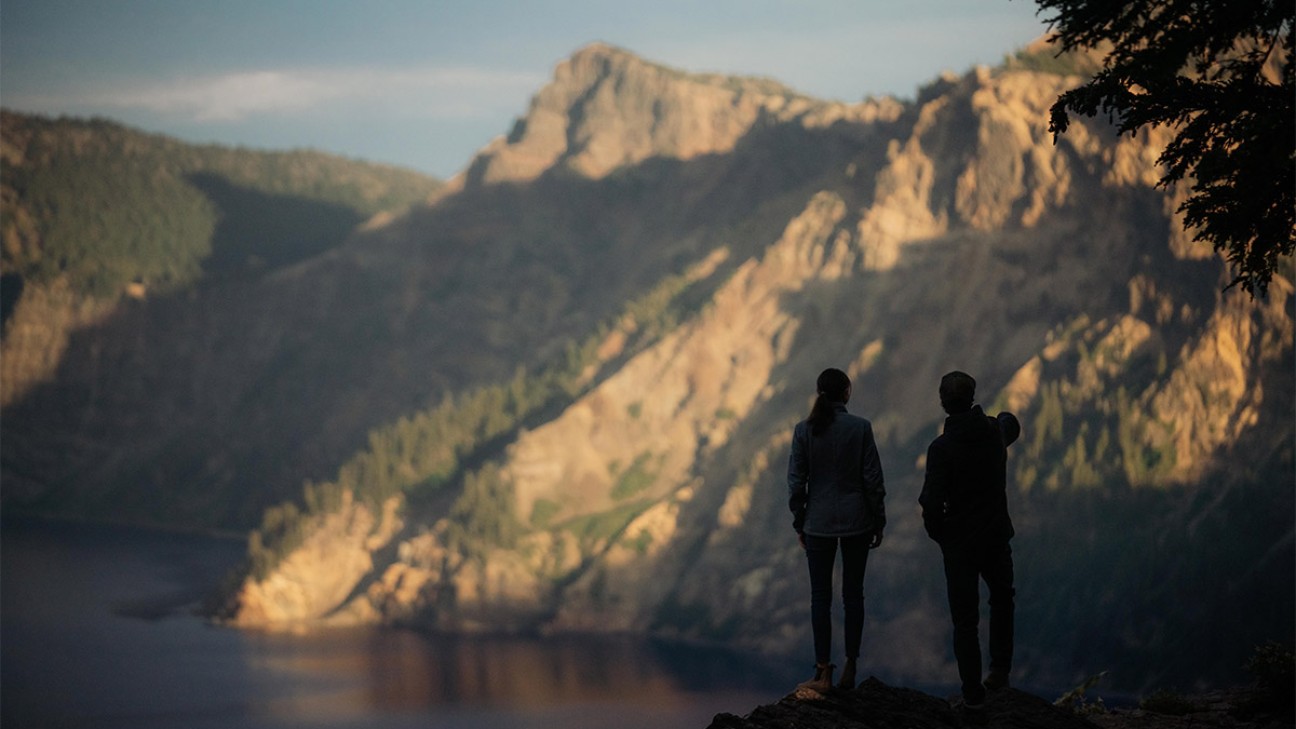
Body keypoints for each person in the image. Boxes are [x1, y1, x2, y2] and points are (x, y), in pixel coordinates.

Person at [919, 371, 1021, 716]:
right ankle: (1000, 670)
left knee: (965, 621)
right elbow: (1011, 424)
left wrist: (941, 534)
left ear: (943, 402)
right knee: (1002, 598)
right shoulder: (993, 433)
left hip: (960, 545)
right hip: (995, 536)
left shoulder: (942, 449)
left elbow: (930, 502)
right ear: (973, 397)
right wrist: (1002, 417)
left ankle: (973, 695)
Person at [787, 367, 886, 693]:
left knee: (821, 598)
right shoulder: (861, 428)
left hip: (818, 522)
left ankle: (822, 672)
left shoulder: (805, 430)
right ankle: (851, 666)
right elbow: (873, 480)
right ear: (846, 392)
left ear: (820, 393)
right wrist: (878, 519)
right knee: (853, 595)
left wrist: (800, 520)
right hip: (858, 520)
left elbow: (796, 482)